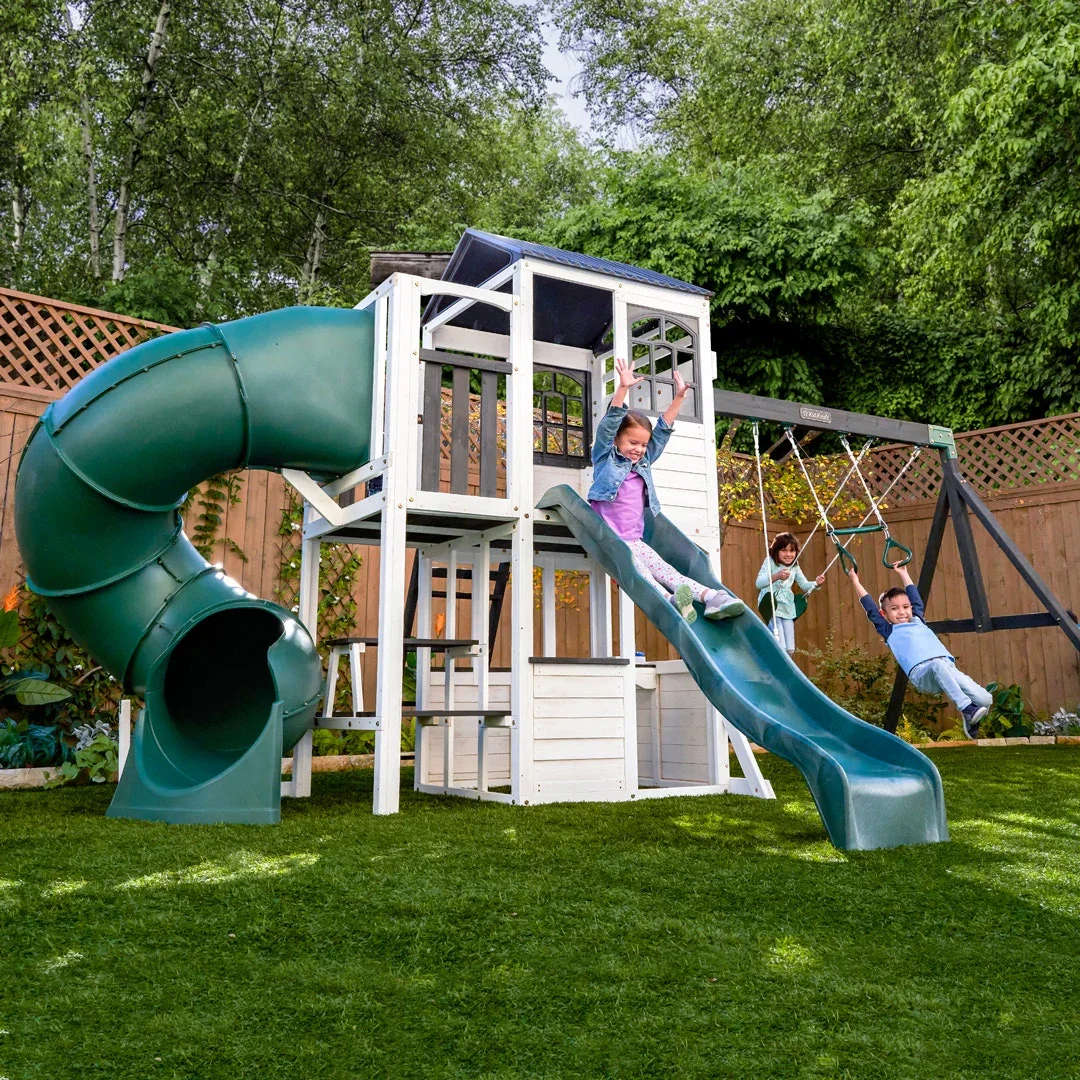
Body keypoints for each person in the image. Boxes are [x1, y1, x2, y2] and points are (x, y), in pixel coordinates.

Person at [588, 357, 745, 625]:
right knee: (641, 572)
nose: (638, 449)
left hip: (635, 540)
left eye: (642, 445)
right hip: (612, 539)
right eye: (632, 442)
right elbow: (608, 425)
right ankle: (669, 600)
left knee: (665, 569)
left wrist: (679, 398)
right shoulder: (605, 457)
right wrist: (622, 389)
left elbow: (662, 431)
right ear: (616, 439)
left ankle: (711, 597)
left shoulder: (643, 463)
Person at [847, 563, 992, 739]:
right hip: (922, 674)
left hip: (947, 668)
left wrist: (903, 573)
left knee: (985, 700)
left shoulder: (918, 620)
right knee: (937, 664)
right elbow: (870, 608)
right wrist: (855, 581)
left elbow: (915, 597)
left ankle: (970, 719)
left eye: (905, 607)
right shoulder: (888, 630)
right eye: (894, 609)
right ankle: (967, 708)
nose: (902, 612)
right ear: (884, 614)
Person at [755, 532, 825, 654]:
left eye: (792, 551)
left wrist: (816, 583)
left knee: (790, 649)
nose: (788, 554)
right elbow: (759, 583)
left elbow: (804, 585)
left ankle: (786, 664)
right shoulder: (770, 562)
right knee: (780, 646)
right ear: (776, 551)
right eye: (784, 550)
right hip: (771, 606)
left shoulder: (794, 566)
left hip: (787, 607)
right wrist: (777, 576)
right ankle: (776, 662)